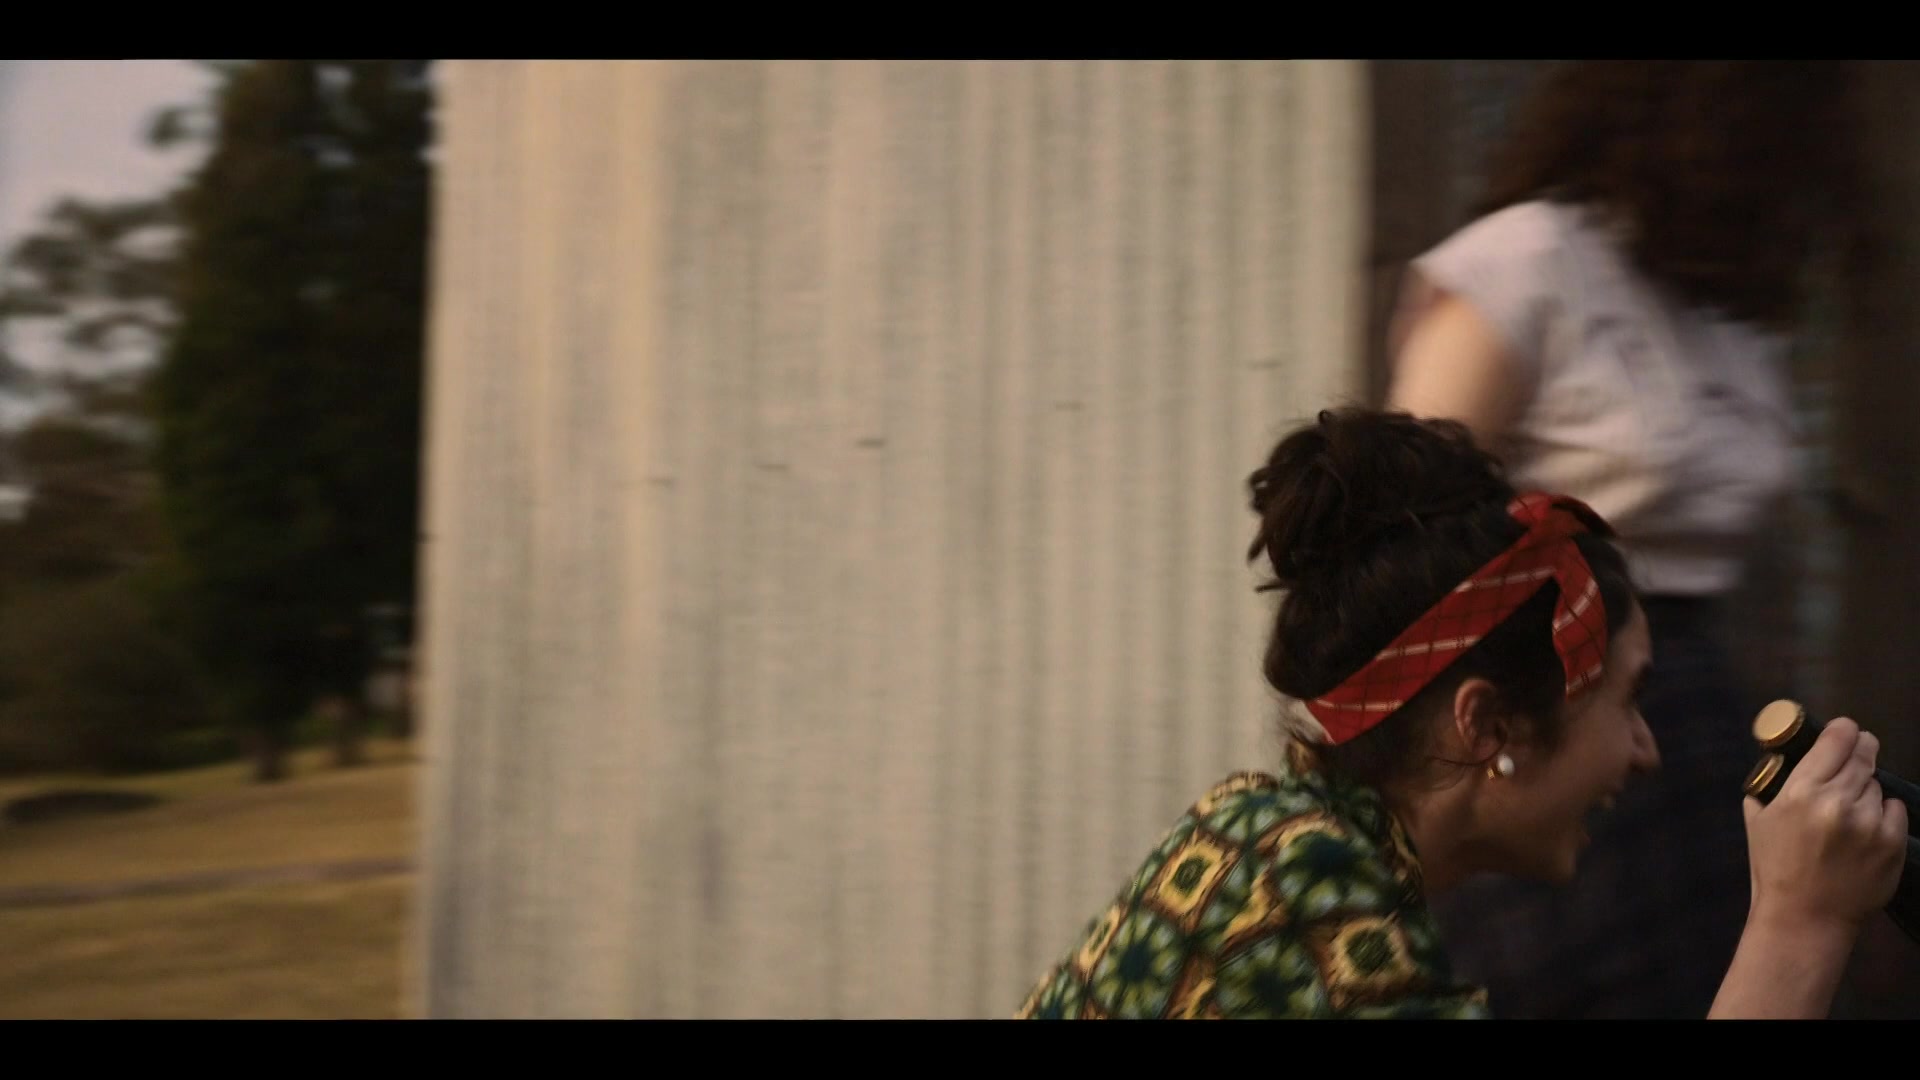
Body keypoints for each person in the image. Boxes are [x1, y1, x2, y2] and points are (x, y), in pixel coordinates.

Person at [1015, 407, 1903, 1019]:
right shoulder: (1312, 899)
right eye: (1627, 700)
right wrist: (1800, 922)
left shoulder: (1272, 836)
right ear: (1486, 726)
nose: (1647, 750)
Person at [1383, 61, 1863, 1018]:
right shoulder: (1524, 266)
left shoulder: (1726, 309)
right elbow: (1396, 547)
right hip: (1548, 718)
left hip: (1696, 727)